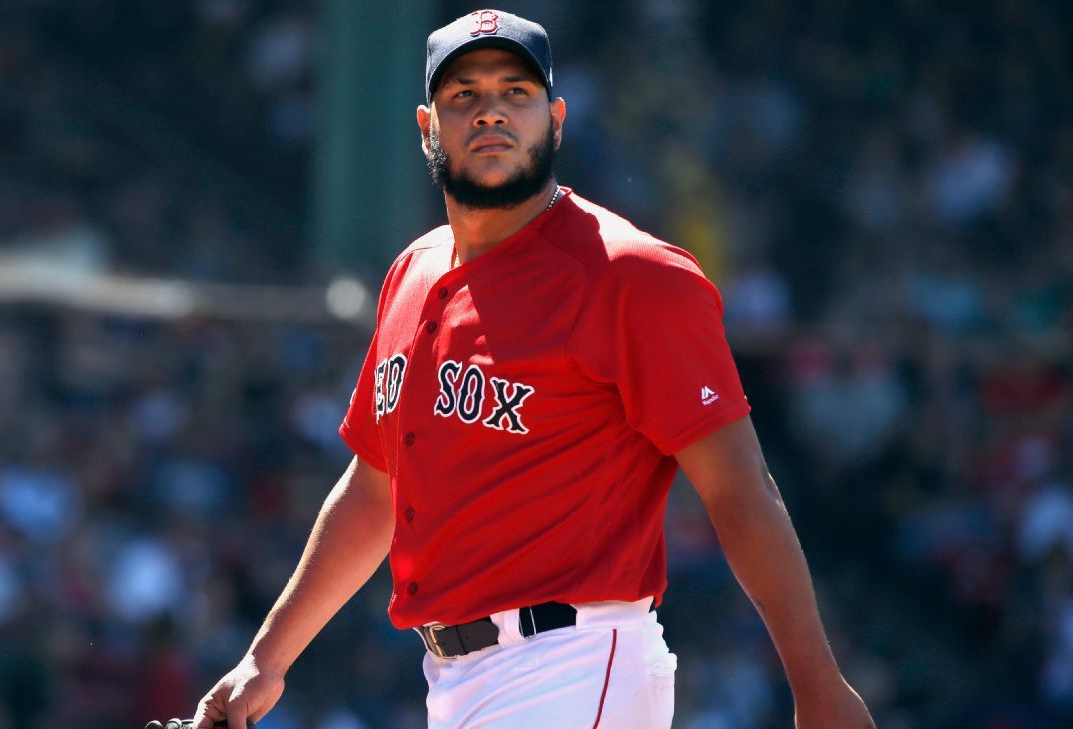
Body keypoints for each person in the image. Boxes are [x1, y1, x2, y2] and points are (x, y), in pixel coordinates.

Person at [194, 9, 875, 728]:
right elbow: (376, 489)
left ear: (554, 118)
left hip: (576, 661)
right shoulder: (413, 273)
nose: (491, 111)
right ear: (427, 126)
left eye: (514, 92)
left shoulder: (630, 275)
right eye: (465, 95)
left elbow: (739, 486)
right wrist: (264, 660)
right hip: (455, 679)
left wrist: (817, 682)